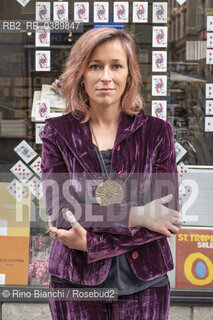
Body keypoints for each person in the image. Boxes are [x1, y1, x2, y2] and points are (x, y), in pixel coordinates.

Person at [41, 27, 182, 320]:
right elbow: (61, 212)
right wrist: (137, 215)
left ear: (129, 74)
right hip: (75, 285)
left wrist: (91, 243)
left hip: (145, 284)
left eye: (116, 66)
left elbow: (166, 216)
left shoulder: (157, 132)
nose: (106, 76)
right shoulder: (58, 132)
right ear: (81, 73)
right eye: (95, 66)